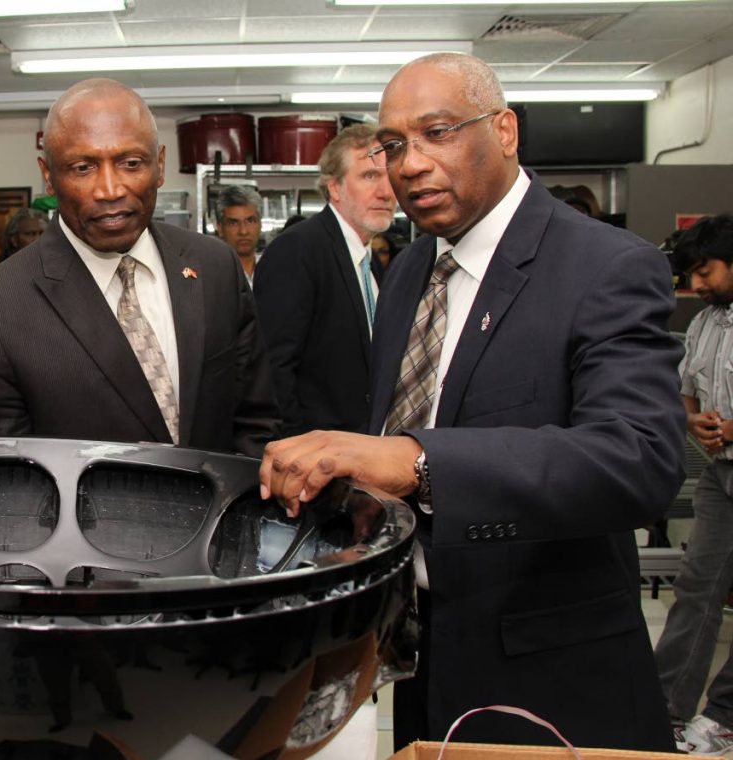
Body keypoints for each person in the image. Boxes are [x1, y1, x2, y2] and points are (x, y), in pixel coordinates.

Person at [257, 52, 684, 751]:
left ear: (506, 130)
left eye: (439, 132)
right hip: (423, 657)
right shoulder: (411, 271)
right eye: (393, 146)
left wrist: (417, 461)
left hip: (551, 674)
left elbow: (639, 460)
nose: (411, 164)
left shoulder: (606, 266)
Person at [0, 79, 279, 457]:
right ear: (49, 176)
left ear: (161, 165)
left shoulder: (214, 266)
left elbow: (256, 421)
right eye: (83, 167)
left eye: (131, 163)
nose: (110, 189)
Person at [254, 124, 395, 436]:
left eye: (389, 176)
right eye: (369, 176)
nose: (386, 191)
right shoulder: (298, 250)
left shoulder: (372, 262)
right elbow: (273, 370)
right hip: (315, 458)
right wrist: (295, 451)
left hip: (364, 450)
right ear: (335, 188)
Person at [654, 214, 733, 755]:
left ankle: (725, 713)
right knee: (697, 591)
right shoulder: (705, 322)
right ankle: (666, 710)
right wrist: (692, 419)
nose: (697, 286)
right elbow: (687, 389)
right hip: (721, 474)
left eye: (705, 272)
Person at [215, 185, 263, 285]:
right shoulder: (210, 273)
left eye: (250, 221)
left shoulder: (274, 268)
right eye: (234, 223)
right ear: (220, 229)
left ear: (260, 225)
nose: (243, 231)